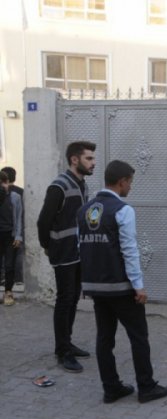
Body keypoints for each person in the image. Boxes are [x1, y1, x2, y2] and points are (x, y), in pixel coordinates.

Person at [77, 160, 167, 404]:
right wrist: (138, 286)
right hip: (121, 287)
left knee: (104, 339)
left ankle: (111, 388)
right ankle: (146, 387)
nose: (130, 187)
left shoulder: (84, 210)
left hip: (96, 286)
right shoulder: (122, 210)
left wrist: (85, 282)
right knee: (138, 336)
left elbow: (82, 248)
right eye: (130, 182)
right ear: (122, 182)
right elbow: (129, 249)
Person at [37, 141, 96, 373]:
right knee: (65, 300)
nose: (93, 162)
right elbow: (43, 221)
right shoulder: (58, 186)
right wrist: (48, 246)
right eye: (88, 159)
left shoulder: (83, 185)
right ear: (74, 159)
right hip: (63, 253)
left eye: (92, 158)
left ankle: (67, 342)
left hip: (79, 252)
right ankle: (62, 352)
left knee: (72, 300)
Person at [0, 170, 22, 305]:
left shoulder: (15, 197)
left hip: (10, 235)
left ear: (8, 182)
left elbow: (18, 218)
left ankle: (8, 292)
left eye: (3, 183)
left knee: (9, 265)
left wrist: (18, 236)